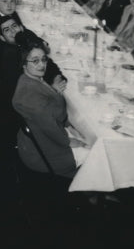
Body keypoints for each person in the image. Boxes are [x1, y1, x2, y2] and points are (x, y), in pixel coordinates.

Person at [12, 39, 86, 180]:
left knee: (82, 134)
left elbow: (46, 111)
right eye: (35, 61)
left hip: (39, 139)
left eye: (43, 59)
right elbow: (49, 126)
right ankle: (88, 194)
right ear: (23, 64)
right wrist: (70, 141)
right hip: (42, 154)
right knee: (93, 152)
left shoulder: (29, 78)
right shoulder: (30, 94)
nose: (41, 65)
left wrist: (53, 90)